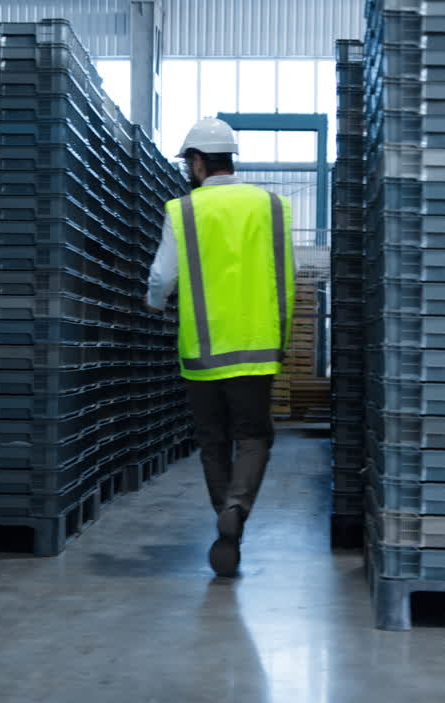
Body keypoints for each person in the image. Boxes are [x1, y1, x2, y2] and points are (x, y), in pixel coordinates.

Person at [144, 118, 295, 577]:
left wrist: (153, 302)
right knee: (254, 436)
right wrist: (281, 340)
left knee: (213, 442)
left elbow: (162, 278)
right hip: (256, 347)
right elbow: (285, 280)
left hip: (203, 352)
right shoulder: (272, 207)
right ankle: (237, 508)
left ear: (197, 161)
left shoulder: (183, 210)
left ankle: (223, 517)